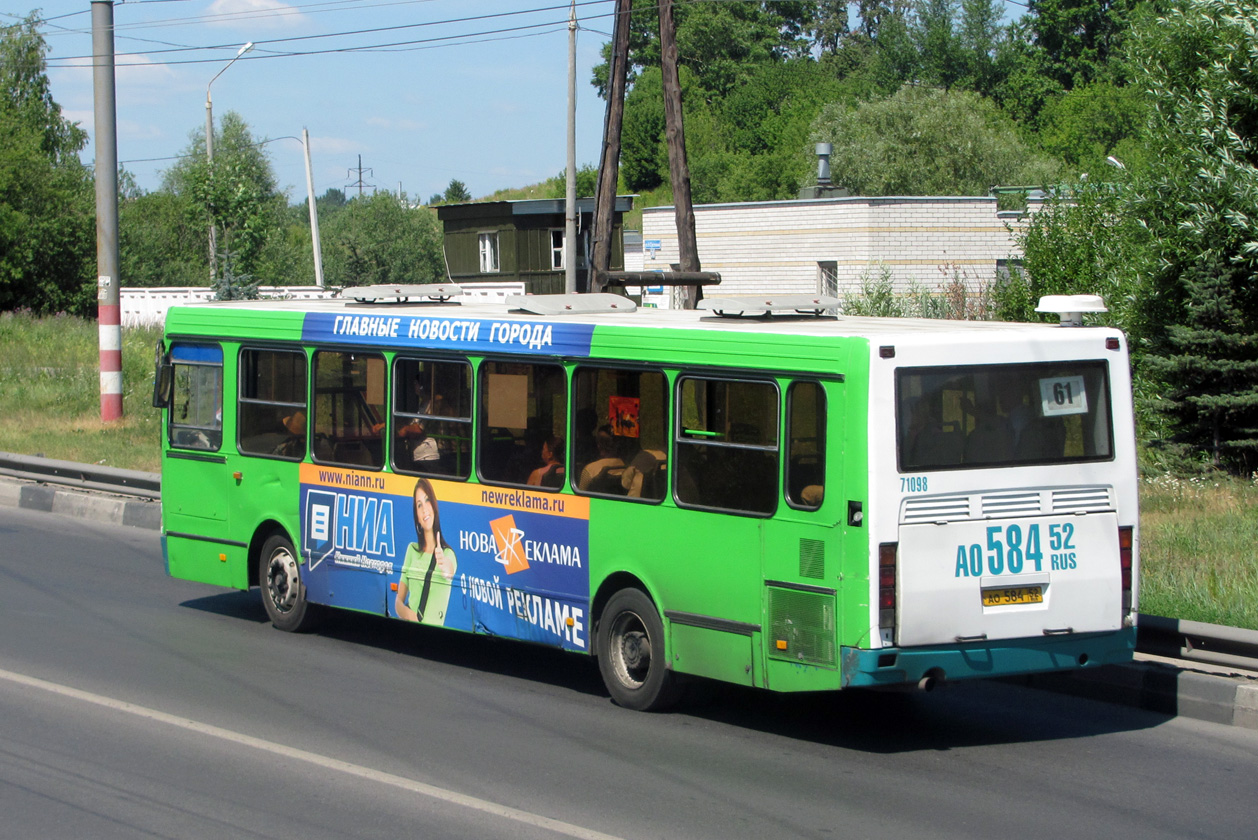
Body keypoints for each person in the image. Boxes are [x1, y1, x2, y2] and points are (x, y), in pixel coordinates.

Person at [395, 477, 457, 626]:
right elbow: (398, 601)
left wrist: (444, 565)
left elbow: (449, 571)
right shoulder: (412, 550)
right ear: (417, 516)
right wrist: (409, 615)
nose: (424, 509)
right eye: (419, 505)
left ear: (434, 505)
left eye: (427, 500)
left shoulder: (447, 554)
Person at [578, 425, 623, 491]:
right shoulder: (625, 466)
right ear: (616, 445)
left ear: (598, 445)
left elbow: (580, 496)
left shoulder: (589, 470)